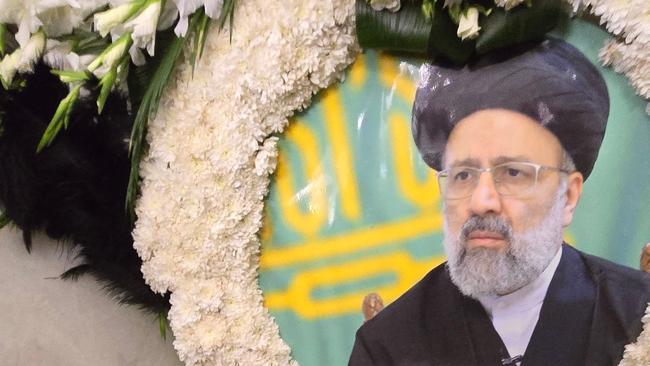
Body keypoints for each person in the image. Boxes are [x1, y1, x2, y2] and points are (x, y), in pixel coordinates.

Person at [348, 38, 650, 366]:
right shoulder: (387, 346)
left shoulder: (639, 315)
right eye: (463, 175)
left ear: (569, 195)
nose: (481, 201)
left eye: (514, 173)